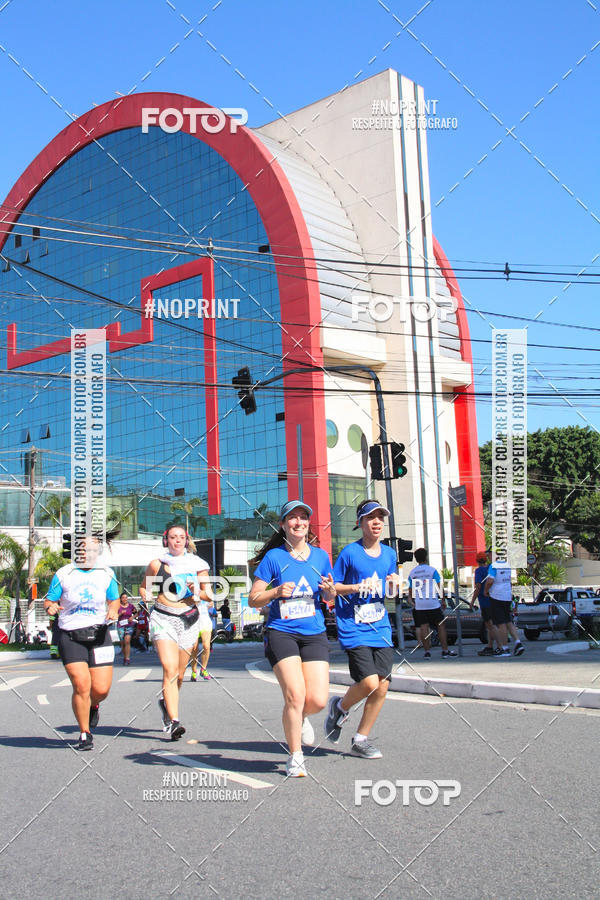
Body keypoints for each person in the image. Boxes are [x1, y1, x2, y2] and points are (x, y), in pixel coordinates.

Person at [249, 500, 336, 777]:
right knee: (295, 695)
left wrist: (330, 592)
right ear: (283, 525)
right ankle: (295, 756)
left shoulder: (321, 557)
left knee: (319, 700)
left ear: (308, 523)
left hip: (314, 633)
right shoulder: (274, 558)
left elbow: (328, 596)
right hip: (281, 632)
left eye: (303, 517)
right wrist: (275, 593)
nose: (299, 522)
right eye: (293, 518)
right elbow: (253, 599)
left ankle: (302, 717)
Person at [325, 500, 398, 759]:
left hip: (380, 627)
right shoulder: (349, 553)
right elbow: (333, 589)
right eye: (370, 517)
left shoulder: (390, 554)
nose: (376, 521)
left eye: (380, 517)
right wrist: (357, 587)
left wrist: (394, 585)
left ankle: (360, 739)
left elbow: (390, 592)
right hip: (353, 627)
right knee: (368, 682)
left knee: (382, 687)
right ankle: (340, 707)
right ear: (360, 523)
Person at [43, 531, 120, 751]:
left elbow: (113, 600)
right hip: (71, 635)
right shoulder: (64, 573)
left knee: (101, 689)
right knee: (81, 684)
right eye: (84, 549)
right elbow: (49, 600)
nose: (88, 553)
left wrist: (113, 611)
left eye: (93, 549)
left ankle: (93, 704)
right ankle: (85, 733)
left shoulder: (106, 573)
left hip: (99, 634)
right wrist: (51, 607)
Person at [141, 525, 211, 740]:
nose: (177, 541)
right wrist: (147, 595)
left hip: (188, 619)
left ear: (187, 540)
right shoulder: (157, 564)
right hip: (163, 618)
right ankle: (174, 721)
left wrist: (197, 591)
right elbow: (144, 587)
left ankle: (166, 704)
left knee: (180, 674)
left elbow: (208, 594)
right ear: (166, 540)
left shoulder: (197, 565)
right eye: (173, 537)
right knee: (170, 670)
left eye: (181, 537)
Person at [408, 547, 457, 659]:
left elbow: (410, 591)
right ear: (426, 557)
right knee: (441, 626)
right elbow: (439, 586)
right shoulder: (432, 570)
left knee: (424, 627)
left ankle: (427, 652)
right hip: (432, 602)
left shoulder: (413, 573)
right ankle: (445, 650)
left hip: (420, 604)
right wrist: (443, 600)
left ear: (416, 559)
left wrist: (412, 601)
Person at [484, 559, 524, 656]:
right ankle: (518, 642)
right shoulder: (507, 565)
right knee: (508, 621)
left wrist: (485, 590)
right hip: (507, 596)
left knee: (501, 623)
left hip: (496, 596)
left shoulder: (493, 566)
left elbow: (490, 581)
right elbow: (509, 582)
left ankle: (505, 648)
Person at [470, 550, 501, 656]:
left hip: (484, 601)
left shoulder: (479, 571)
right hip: (494, 599)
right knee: (490, 626)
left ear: (477, 560)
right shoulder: (491, 568)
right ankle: (490, 646)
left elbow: (478, 587)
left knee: (490, 625)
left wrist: (472, 601)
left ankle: (500, 646)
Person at [190, 596, 214, 681]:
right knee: (194, 648)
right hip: (193, 622)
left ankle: (203, 669)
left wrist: (209, 602)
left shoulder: (205, 588)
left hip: (205, 622)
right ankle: (193, 671)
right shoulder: (189, 586)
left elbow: (211, 602)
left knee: (206, 646)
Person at [116, 592, 136, 665]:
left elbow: (136, 612)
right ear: (121, 599)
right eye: (123, 598)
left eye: (126, 597)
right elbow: (114, 616)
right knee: (123, 643)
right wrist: (120, 614)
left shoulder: (131, 606)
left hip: (129, 625)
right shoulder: (118, 606)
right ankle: (125, 657)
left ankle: (127, 658)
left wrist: (132, 617)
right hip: (120, 625)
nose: (125, 599)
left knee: (127, 640)